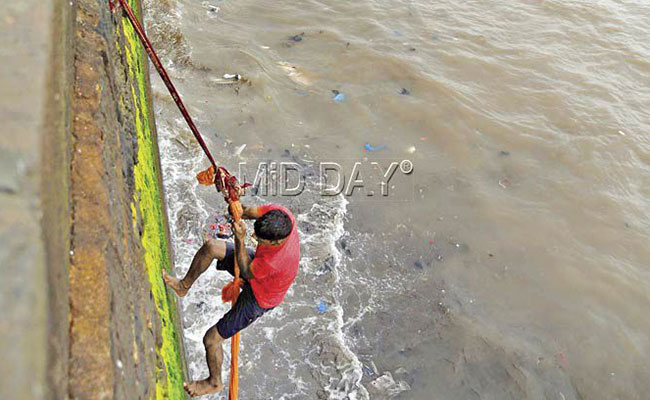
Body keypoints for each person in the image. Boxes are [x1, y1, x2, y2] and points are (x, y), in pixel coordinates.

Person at [162, 203, 300, 397]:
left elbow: (245, 271)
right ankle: (183, 286)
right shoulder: (282, 214)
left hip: (260, 296)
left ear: (276, 243)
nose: (255, 239)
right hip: (257, 268)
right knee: (211, 247)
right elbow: (247, 211)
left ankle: (214, 382)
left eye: (260, 240)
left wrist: (240, 239)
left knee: (211, 339)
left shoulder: (275, 261)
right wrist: (235, 205)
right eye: (255, 234)